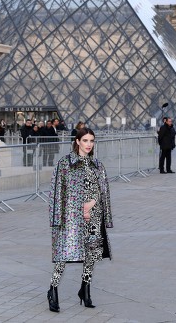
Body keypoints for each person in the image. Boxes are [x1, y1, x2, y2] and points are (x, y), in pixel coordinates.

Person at [47, 127, 113, 313]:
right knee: (63, 256)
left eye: (92, 141)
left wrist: (92, 203)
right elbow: (56, 192)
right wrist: (57, 218)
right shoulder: (65, 163)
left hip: (93, 216)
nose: (89, 144)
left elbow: (103, 191)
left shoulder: (97, 165)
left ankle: (85, 289)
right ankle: (52, 290)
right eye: (85, 140)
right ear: (77, 141)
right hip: (71, 218)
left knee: (91, 256)